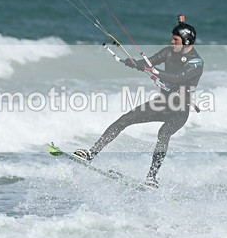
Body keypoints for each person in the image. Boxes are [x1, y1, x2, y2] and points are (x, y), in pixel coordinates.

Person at [74, 16, 204, 188]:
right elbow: (149, 62)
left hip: (179, 110)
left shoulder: (196, 63)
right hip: (162, 103)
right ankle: (91, 153)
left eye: (176, 40)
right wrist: (135, 63)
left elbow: (177, 77)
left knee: (163, 134)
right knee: (124, 120)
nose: (172, 42)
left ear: (186, 41)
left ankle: (151, 177)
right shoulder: (169, 52)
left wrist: (153, 70)